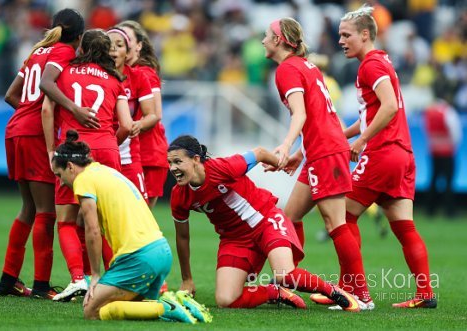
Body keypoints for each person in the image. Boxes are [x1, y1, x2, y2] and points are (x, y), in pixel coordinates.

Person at [168, 135, 360, 312]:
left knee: (285, 274)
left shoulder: (222, 168)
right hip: (234, 239)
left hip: (265, 221)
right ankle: (275, 293)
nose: (173, 168)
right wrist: (187, 280)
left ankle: (334, 292)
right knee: (226, 300)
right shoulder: (179, 196)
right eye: (170, 163)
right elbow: (182, 237)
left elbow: (259, 153)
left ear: (195, 160)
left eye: (178, 161)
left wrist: (281, 164)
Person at [262, 18, 373, 309]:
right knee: (289, 217)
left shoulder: (287, 69)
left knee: (336, 223)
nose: (262, 40)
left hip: (325, 151)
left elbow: (299, 115)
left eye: (266, 36)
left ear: (279, 40)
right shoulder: (307, 66)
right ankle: (287, 281)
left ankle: (360, 295)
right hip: (320, 150)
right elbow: (318, 114)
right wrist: (301, 153)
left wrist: (286, 146)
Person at [51, 130, 211, 324]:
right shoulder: (105, 171)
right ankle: (172, 306)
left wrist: (95, 276)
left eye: (59, 175)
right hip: (161, 251)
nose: (60, 182)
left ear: (70, 166)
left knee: (91, 310)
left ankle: (165, 306)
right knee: (138, 305)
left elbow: (92, 230)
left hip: (138, 257)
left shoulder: (83, 180)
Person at [336, 5, 436, 308]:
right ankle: (425, 295)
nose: (340, 41)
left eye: (346, 35)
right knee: (405, 227)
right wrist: (344, 136)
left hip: (383, 152)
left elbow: (390, 106)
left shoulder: (371, 65)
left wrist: (362, 140)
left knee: (342, 216)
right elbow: (373, 113)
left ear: (365, 35)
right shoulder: (380, 62)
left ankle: (352, 291)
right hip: (403, 155)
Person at [0, 8, 86, 300]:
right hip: (35, 135)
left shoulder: (38, 52)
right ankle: (42, 286)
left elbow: (11, 95)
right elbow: (47, 85)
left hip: (15, 131)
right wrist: (71, 109)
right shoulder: (62, 53)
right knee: (47, 212)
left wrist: (26, 116)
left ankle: (9, 279)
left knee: (28, 209)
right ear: (79, 36)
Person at [41, 29, 132, 302]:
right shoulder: (117, 80)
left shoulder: (65, 72)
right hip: (107, 149)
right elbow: (127, 125)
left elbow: (47, 109)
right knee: (105, 221)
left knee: (67, 220)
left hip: (73, 149)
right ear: (107, 51)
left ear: (82, 48)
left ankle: (78, 279)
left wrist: (51, 151)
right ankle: (117, 281)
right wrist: (108, 143)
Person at [119, 20, 170, 209]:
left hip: (147, 154)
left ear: (139, 45)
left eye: (127, 39)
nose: (122, 42)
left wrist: (131, 127)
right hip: (133, 153)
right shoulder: (121, 74)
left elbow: (156, 113)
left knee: (139, 219)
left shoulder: (144, 73)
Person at [106, 26, 157, 203]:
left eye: (119, 45)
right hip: (101, 152)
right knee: (95, 212)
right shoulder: (96, 76)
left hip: (128, 153)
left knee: (140, 208)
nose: (113, 49)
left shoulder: (138, 77)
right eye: (109, 45)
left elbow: (152, 115)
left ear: (127, 52)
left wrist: (139, 124)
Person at [423, 92, 462, 218]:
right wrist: (453, 146)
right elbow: (456, 133)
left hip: (434, 150)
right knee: (449, 182)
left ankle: (430, 210)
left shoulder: (429, 112)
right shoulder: (448, 112)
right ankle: (449, 211)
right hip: (447, 151)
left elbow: (426, 131)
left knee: (433, 180)